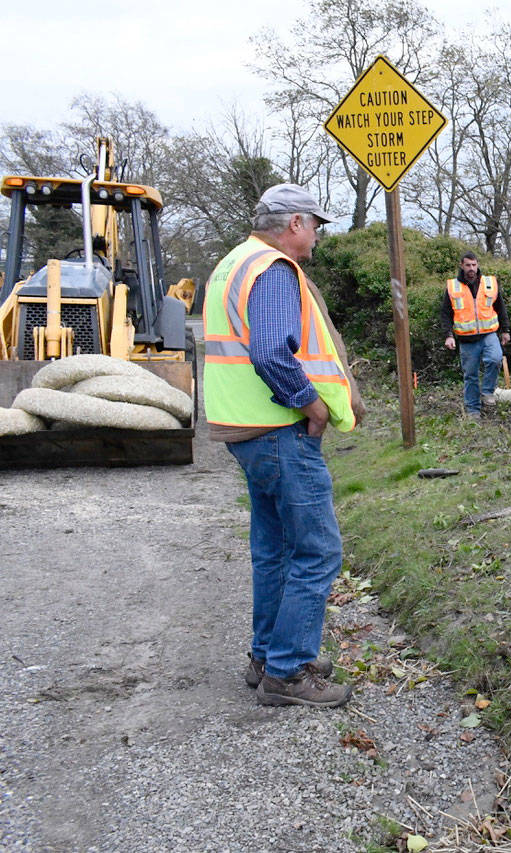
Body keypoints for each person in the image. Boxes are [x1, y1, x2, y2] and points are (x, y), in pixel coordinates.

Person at [202, 183, 365, 709]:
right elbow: (272, 350)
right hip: (279, 429)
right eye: (314, 224)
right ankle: (289, 672)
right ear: (294, 223)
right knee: (317, 549)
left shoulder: (232, 262)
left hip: (244, 430)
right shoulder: (273, 269)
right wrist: (310, 403)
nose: (317, 234)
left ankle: (266, 657)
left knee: (273, 549)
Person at [440, 252, 511, 419]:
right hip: (467, 340)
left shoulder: (490, 283)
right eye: (468, 265)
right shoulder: (453, 286)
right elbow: (445, 314)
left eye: (474, 265)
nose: (471, 268)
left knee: (495, 359)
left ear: (477, 265)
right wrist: (448, 335)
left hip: (489, 334)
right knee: (470, 375)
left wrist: (506, 330)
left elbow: (501, 307)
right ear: (461, 266)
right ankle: (473, 411)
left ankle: (487, 393)